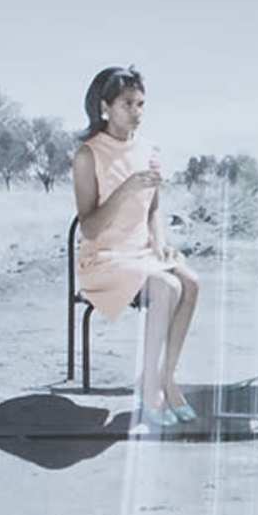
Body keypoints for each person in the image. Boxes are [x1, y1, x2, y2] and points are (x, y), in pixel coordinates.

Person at [71, 65, 201, 424]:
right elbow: (89, 228)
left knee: (191, 283)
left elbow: (153, 208)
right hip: (102, 260)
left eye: (141, 104)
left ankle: (165, 378)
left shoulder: (148, 150)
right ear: (104, 107)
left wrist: (161, 245)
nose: (136, 113)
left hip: (141, 254)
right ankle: (148, 388)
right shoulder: (87, 155)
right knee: (167, 286)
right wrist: (124, 189)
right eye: (127, 104)